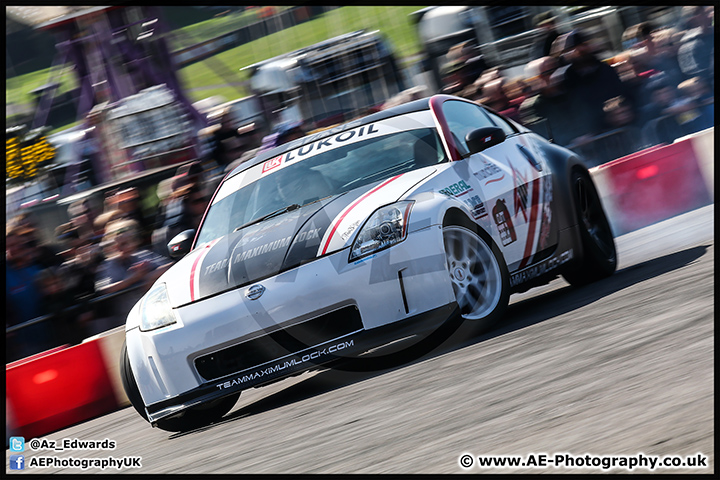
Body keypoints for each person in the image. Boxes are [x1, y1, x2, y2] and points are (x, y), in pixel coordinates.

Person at [93, 219, 172, 334]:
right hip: (126, 321)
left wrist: (149, 275)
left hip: (154, 313)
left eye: (125, 243)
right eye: (117, 245)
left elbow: (169, 266)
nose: (121, 248)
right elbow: (103, 289)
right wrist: (131, 279)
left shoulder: (143, 256)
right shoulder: (108, 265)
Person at [554, 30, 628, 142]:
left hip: (615, 131)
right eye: (574, 48)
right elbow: (564, 113)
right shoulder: (564, 78)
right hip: (586, 139)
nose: (580, 50)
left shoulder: (606, 69)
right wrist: (576, 135)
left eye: (583, 45)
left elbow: (621, 94)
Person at [6, 224, 52, 361]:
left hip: (52, 333)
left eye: (18, 244)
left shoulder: (39, 265)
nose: (14, 249)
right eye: (9, 246)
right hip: (24, 344)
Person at [676, 6, 714, 87]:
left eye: (704, 13)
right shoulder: (688, 45)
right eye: (699, 14)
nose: (707, 16)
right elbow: (693, 73)